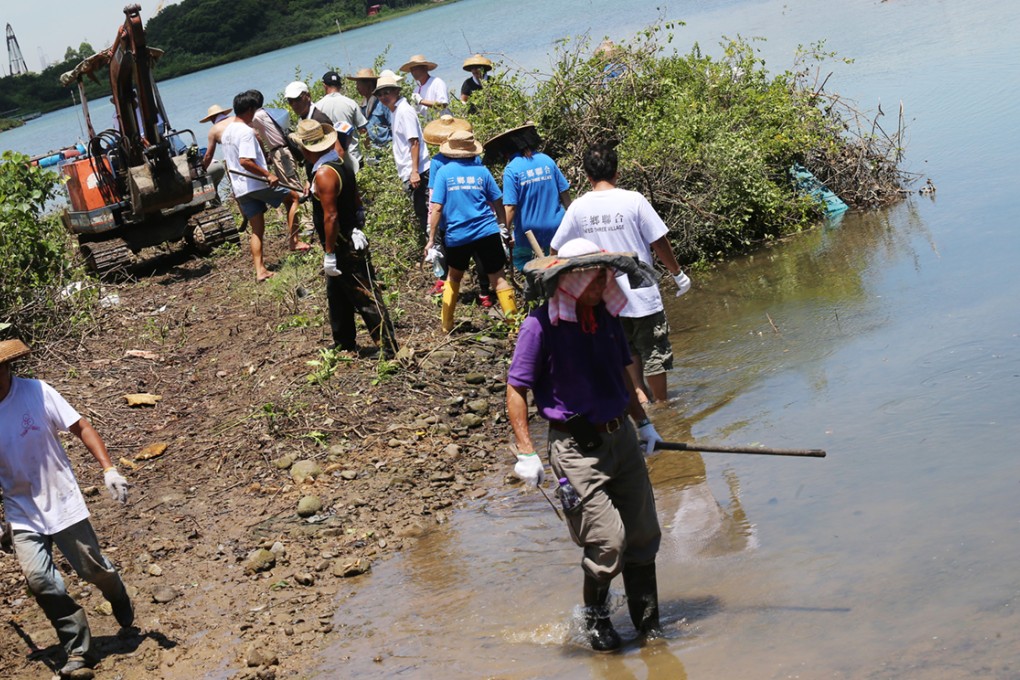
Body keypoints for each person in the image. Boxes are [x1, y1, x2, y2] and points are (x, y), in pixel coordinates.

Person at [505, 238, 665, 652]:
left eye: (605, 276)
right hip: (576, 450)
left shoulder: (605, 319)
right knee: (608, 542)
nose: (605, 283)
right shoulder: (539, 326)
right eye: (596, 278)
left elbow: (623, 375)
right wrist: (526, 451)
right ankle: (596, 622)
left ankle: (648, 627)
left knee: (644, 535)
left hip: (621, 440)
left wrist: (643, 423)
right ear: (573, 281)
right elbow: (517, 388)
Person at [0, 339, 134, 678]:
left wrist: (108, 470)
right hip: (21, 509)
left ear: (5, 368)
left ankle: (115, 588)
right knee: (41, 581)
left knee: (92, 569)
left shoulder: (36, 392)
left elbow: (81, 427)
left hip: (61, 499)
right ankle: (79, 651)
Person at [551, 143, 692, 405]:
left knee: (625, 352)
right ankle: (665, 409)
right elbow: (659, 242)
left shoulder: (578, 208)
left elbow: (557, 249)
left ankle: (642, 402)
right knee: (654, 351)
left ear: (588, 175)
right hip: (642, 294)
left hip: (604, 298)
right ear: (617, 172)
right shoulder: (633, 200)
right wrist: (677, 273)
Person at [291, 120, 398, 358]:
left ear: (307, 149)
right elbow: (355, 200)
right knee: (336, 293)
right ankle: (344, 340)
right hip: (347, 236)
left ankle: (390, 349)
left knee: (364, 295)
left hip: (342, 243)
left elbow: (330, 216)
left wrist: (329, 253)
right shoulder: (338, 164)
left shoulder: (325, 173)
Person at [425, 130, 517, 331]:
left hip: (458, 235)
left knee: (453, 277)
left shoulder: (444, 173)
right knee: (499, 279)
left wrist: (431, 238)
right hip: (487, 231)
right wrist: (503, 226)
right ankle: (515, 326)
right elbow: (498, 201)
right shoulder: (482, 171)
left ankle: (446, 326)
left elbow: (437, 207)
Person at [222, 91, 303, 280]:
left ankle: (260, 270)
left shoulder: (227, 132)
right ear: (250, 110)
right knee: (294, 198)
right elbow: (245, 161)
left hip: (241, 189)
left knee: (257, 229)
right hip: (256, 184)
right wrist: (268, 174)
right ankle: (295, 241)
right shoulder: (245, 132)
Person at [423, 115, 493, 304]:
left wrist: (432, 222)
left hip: (450, 215)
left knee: (450, 254)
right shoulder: (472, 158)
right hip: (475, 215)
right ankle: (483, 292)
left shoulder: (439, 162)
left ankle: (449, 299)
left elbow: (434, 196)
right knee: (476, 255)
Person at [483, 122, 572, 271]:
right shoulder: (547, 160)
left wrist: (504, 232)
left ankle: (535, 284)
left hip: (528, 231)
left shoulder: (512, 169)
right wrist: (571, 218)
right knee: (556, 265)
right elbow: (564, 193)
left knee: (521, 260)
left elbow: (510, 207)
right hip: (556, 225)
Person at [374, 72, 431, 249]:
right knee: (422, 214)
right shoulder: (395, 111)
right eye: (380, 94)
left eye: (387, 92)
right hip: (411, 171)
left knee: (426, 216)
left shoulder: (404, 111)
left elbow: (414, 142)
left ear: (397, 91)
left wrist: (414, 171)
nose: (384, 97)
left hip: (418, 171)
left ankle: (437, 255)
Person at [316, 71, 369, 172]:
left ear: (324, 86)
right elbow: (363, 130)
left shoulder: (318, 107)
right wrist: (368, 151)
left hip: (332, 162)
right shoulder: (350, 103)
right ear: (340, 86)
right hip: (355, 157)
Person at [347, 67, 392, 147]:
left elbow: (393, 125)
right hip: (373, 151)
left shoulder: (382, 102)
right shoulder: (363, 105)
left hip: (386, 150)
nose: (357, 88)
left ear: (369, 85)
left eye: (359, 84)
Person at [399, 54, 449, 122]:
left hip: (442, 124)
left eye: (416, 69)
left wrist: (421, 101)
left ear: (425, 68)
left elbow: (443, 105)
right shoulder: (416, 90)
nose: (413, 72)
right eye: (411, 70)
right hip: (427, 127)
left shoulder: (437, 82)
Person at [200, 103, 234, 170]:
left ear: (212, 118)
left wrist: (203, 170)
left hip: (234, 160)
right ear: (223, 113)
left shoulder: (213, 130)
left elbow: (208, 155)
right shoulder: (236, 119)